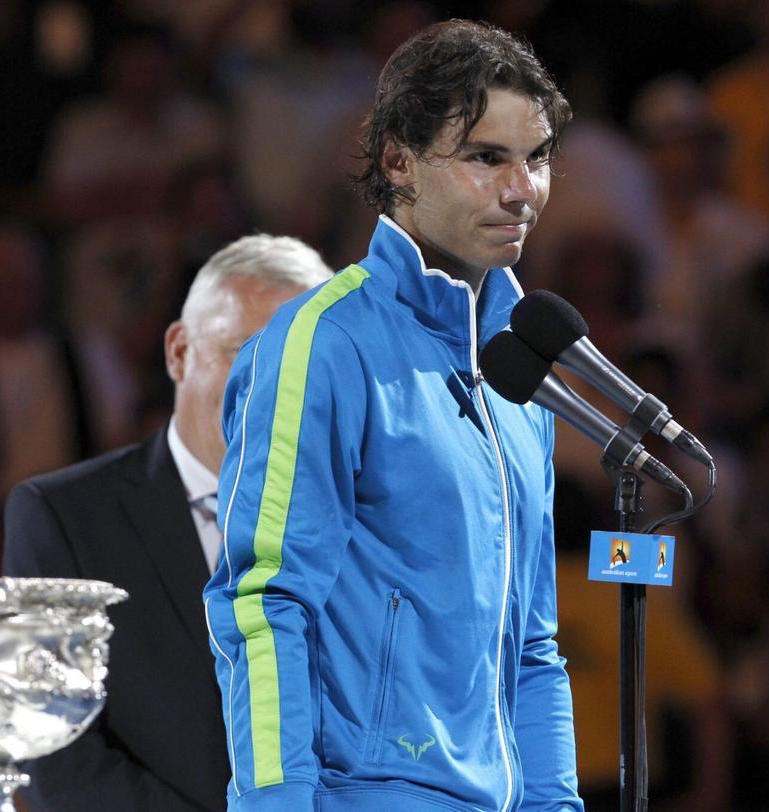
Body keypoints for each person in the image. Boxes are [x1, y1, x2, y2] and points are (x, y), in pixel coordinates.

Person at [204, 19, 582, 812]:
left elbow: (534, 648)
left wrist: (556, 804)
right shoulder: (322, 343)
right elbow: (263, 608)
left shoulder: (520, 369)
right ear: (399, 161)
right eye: (486, 157)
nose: (522, 189)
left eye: (537, 156)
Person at [3, 234, 333, 811]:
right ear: (179, 351)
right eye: (246, 353)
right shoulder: (65, 520)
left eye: (304, 359)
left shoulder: (369, 516)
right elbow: (56, 754)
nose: (276, 386)